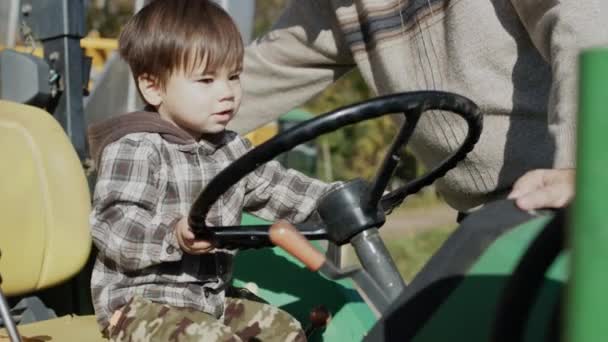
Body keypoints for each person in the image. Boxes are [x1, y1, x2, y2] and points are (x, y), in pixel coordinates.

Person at [87, 1, 331, 340]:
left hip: (206, 301)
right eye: (206, 79)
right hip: (138, 307)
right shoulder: (136, 147)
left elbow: (278, 186)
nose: (227, 93)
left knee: (286, 332)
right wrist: (172, 235)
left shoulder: (230, 148)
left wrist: (336, 199)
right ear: (153, 87)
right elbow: (114, 226)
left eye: (233, 77)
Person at [235, 0, 606, 214]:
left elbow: (587, 36)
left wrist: (584, 167)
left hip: (574, 193)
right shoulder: (337, 7)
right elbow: (253, 76)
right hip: (491, 213)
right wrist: (175, 124)